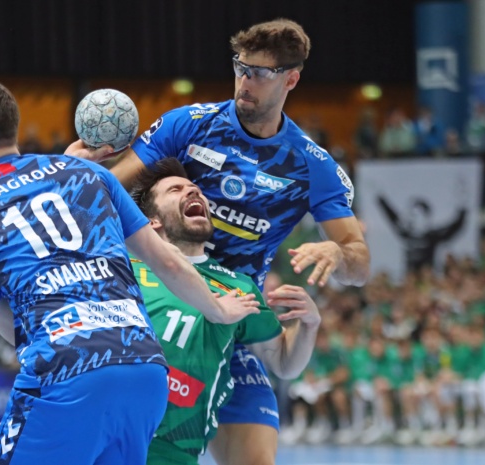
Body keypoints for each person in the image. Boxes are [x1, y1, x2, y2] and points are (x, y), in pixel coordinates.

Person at [67, 19, 370, 465]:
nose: (245, 81)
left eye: (260, 73)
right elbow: (109, 193)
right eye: (240, 67)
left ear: (291, 79)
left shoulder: (311, 165)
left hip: (235, 322)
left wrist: (338, 253)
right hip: (162, 307)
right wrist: (76, 173)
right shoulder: (189, 125)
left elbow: (359, 266)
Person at [0, 78, 259, 465]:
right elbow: (168, 261)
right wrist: (218, 309)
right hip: (146, 371)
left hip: (67, 370)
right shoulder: (88, 174)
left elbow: (13, 328)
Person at [129, 158, 322, 464]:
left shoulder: (238, 287)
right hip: (108, 433)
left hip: (173, 451)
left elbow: (284, 363)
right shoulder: (123, 267)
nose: (193, 192)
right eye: (175, 190)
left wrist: (309, 324)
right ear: (153, 221)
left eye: (196, 189)